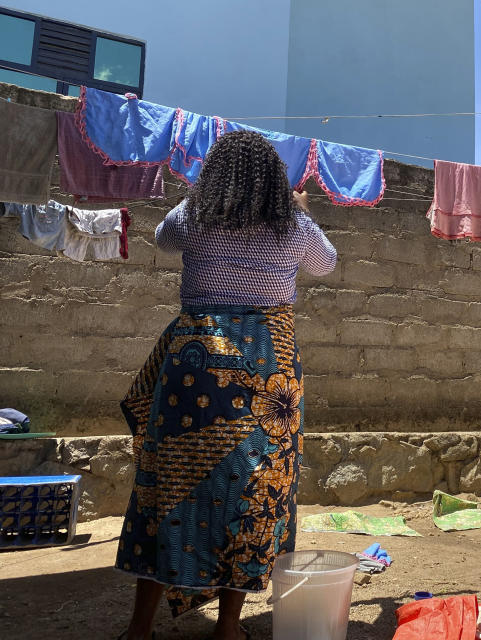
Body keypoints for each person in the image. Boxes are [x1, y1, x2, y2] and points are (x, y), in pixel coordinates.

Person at [115, 129, 337, 640]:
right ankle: (227, 628)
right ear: (276, 182)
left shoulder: (192, 216)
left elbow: (162, 238)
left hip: (193, 364)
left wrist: (201, 198)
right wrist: (303, 211)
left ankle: (138, 628)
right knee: (252, 486)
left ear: (214, 175)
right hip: (266, 366)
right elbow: (326, 263)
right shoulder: (293, 225)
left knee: (166, 483)